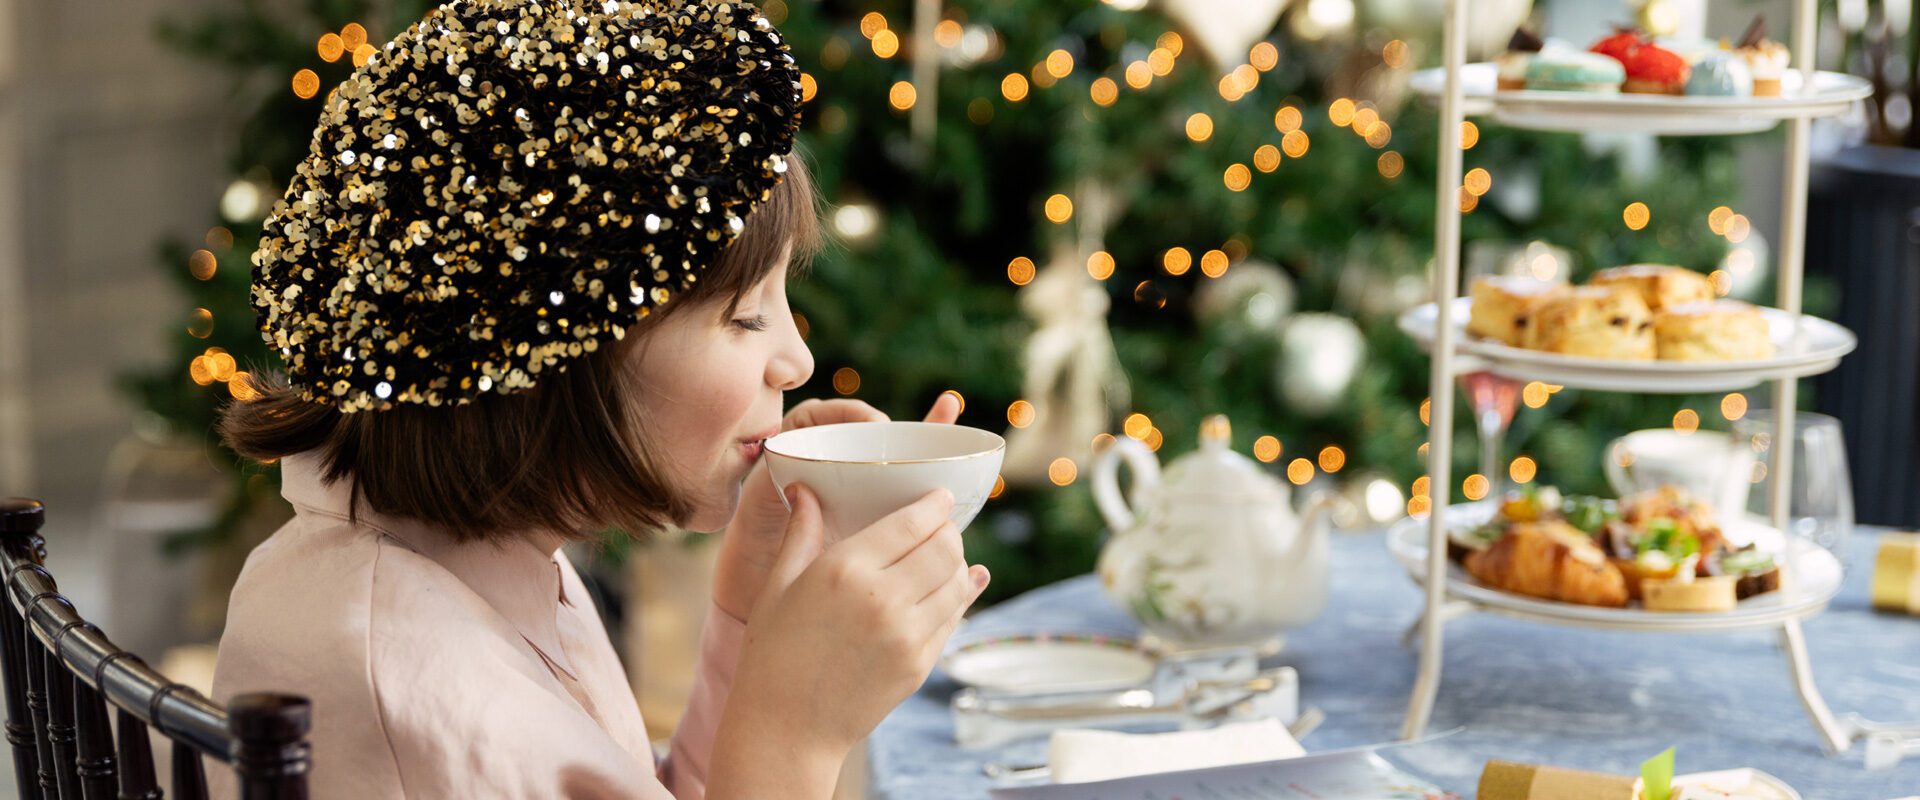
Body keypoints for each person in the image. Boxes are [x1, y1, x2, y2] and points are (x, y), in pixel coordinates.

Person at [208, 1, 988, 797]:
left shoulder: (472, 558)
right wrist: (796, 734)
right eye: (746, 315)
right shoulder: (429, 691)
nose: (797, 358)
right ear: (561, 356)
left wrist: (747, 610)